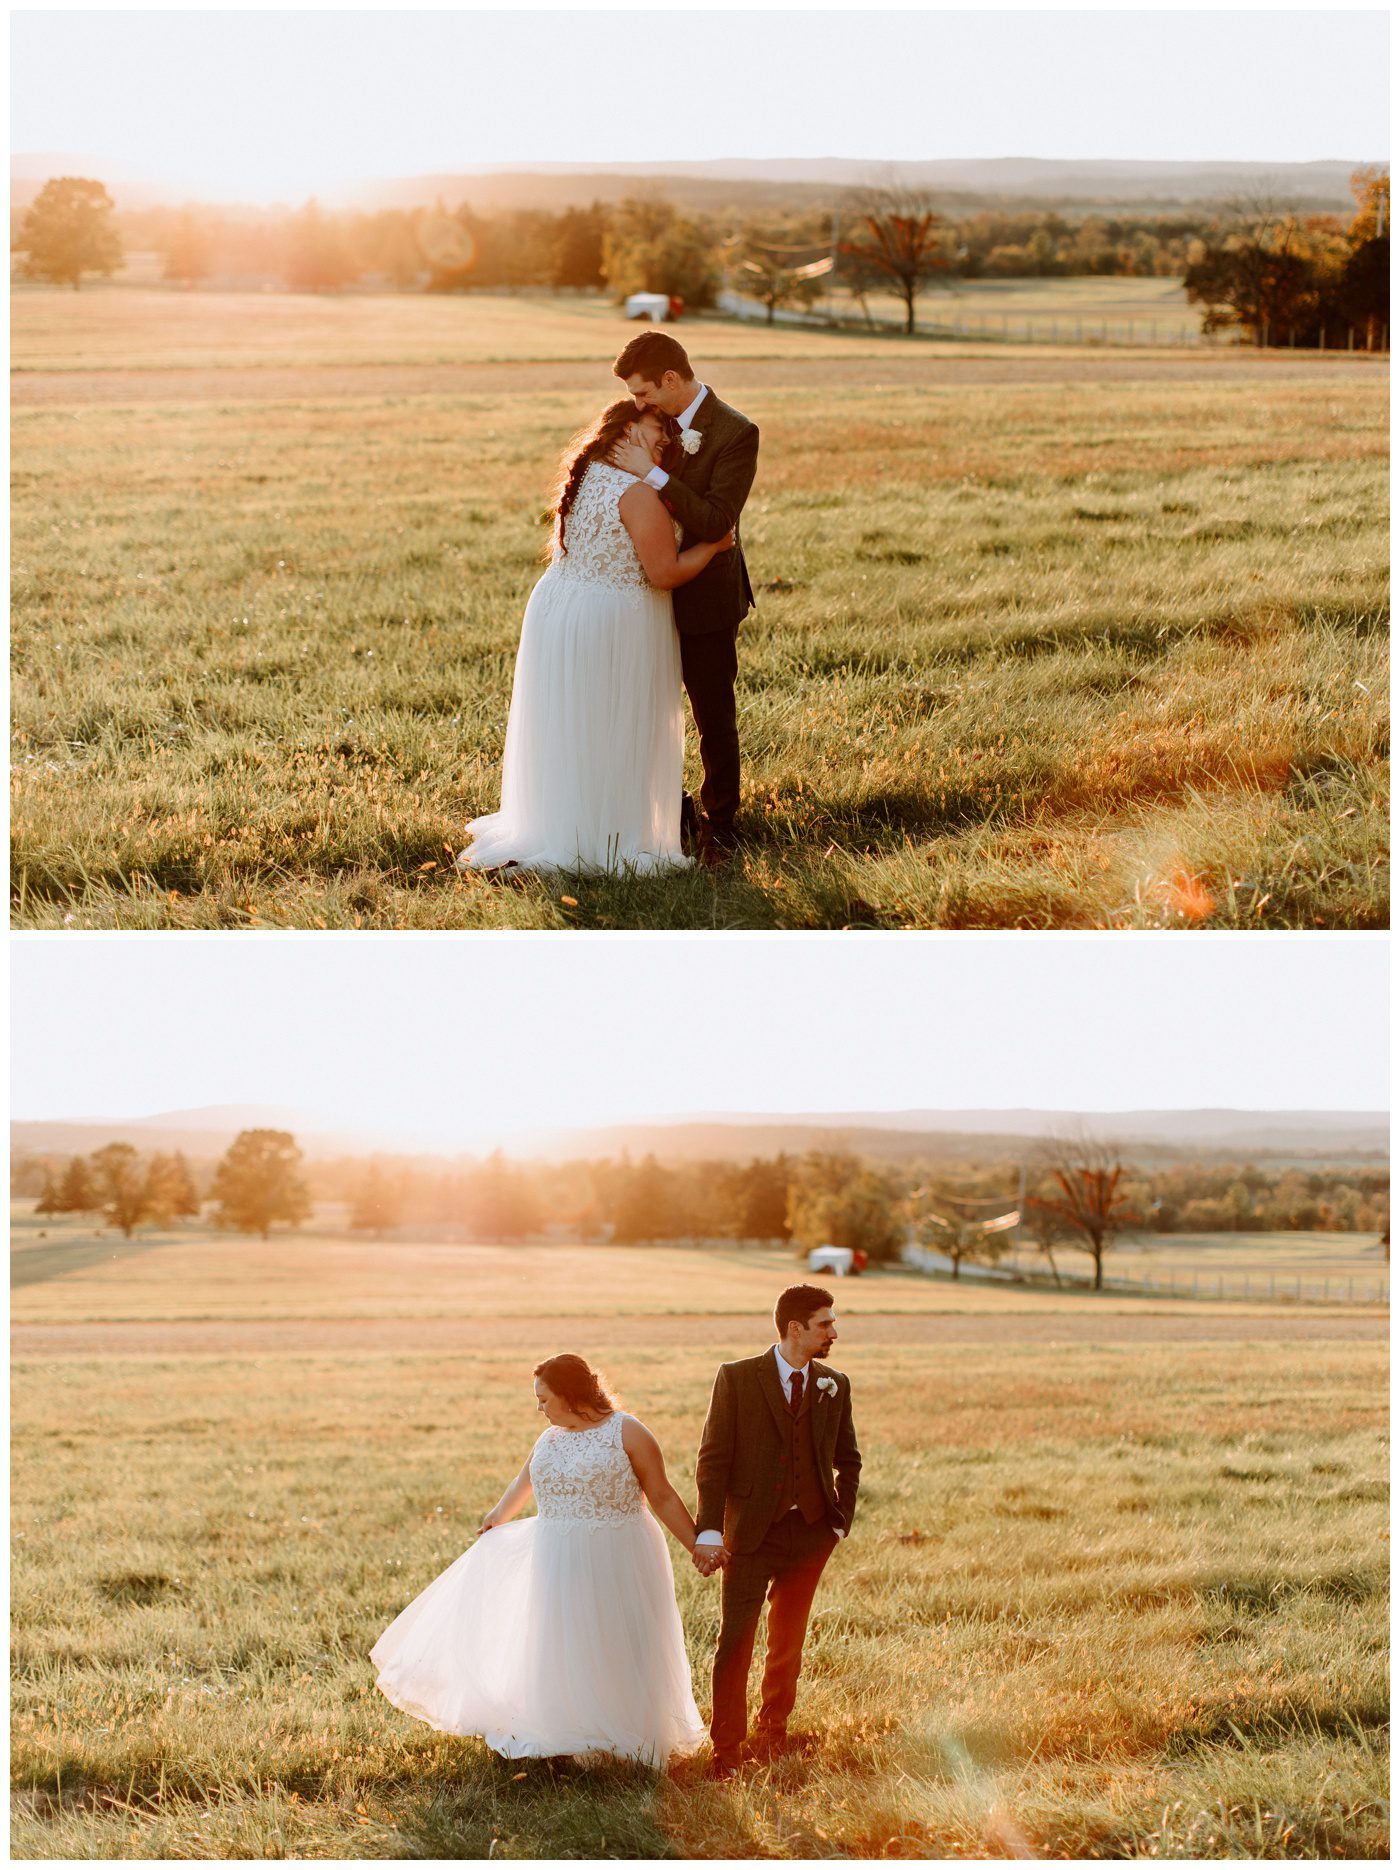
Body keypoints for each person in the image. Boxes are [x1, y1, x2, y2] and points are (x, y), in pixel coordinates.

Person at [371, 1353, 709, 1766]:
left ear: (571, 1395)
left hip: (616, 1554)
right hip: (555, 1555)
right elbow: (523, 1481)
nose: (539, 1408)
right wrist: (497, 1517)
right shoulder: (549, 1439)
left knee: (612, 1640)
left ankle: (623, 1738)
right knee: (559, 1642)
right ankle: (565, 1733)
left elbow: (661, 1495)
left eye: (544, 1399)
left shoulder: (629, 1432)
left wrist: (696, 1544)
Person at [456, 402, 733, 876]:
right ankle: (603, 838)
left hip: (563, 607)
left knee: (577, 728)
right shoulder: (637, 493)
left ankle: (564, 823)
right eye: (656, 428)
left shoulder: (588, 472)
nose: (667, 437)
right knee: (612, 727)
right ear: (627, 429)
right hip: (612, 618)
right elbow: (664, 573)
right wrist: (713, 545)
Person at [691, 1285, 861, 1779]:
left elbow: (847, 1459)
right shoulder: (738, 1378)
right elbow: (713, 1459)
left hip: (809, 1534)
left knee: (788, 1640)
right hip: (749, 1534)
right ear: (795, 1328)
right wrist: (708, 1530)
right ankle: (726, 1749)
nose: (834, 1331)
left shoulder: (835, 1383)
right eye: (825, 1323)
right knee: (735, 1641)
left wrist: (838, 1522)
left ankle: (773, 1734)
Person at [610, 332, 759, 868]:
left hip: (706, 596)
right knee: (647, 709)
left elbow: (719, 521)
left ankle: (722, 824)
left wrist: (651, 474)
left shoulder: (737, 432)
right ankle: (667, 812)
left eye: (644, 392)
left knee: (711, 714)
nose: (638, 404)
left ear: (671, 379)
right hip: (641, 592)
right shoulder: (644, 419)